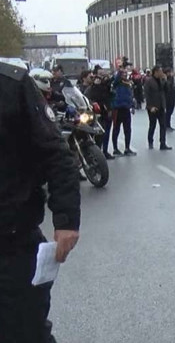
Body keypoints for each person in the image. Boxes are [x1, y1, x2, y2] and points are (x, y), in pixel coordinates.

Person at [0, 60, 81, 342]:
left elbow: (56, 155)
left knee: (24, 332)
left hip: (11, 245)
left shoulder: (11, 85)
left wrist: (66, 219)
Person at [85, 66, 115, 160]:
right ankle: (97, 152)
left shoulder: (106, 84)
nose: (101, 77)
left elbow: (110, 95)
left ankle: (104, 151)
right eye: (100, 74)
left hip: (107, 110)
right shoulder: (93, 86)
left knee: (106, 132)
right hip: (97, 112)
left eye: (103, 74)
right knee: (97, 133)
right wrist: (96, 85)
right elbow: (93, 96)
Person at [110, 66, 136, 157]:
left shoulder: (128, 84)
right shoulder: (117, 83)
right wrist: (120, 71)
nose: (125, 75)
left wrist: (132, 106)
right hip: (117, 109)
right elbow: (116, 80)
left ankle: (127, 148)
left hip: (126, 108)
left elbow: (130, 95)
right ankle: (115, 149)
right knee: (116, 129)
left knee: (127, 129)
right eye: (123, 74)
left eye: (126, 73)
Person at [144, 66, 171, 151]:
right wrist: (150, 106)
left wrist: (165, 81)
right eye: (160, 71)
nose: (161, 73)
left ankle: (162, 143)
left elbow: (167, 90)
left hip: (161, 106)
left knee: (163, 125)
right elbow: (147, 95)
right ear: (155, 72)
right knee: (152, 125)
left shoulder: (161, 80)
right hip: (153, 107)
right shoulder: (149, 81)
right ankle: (150, 141)